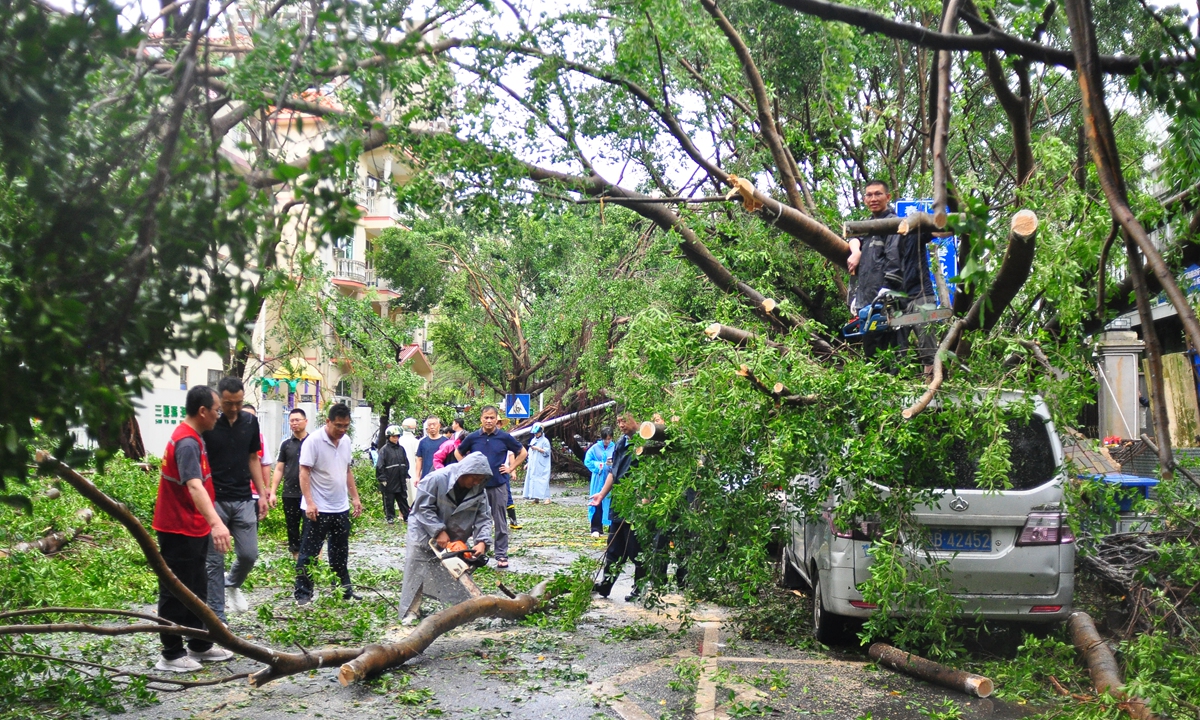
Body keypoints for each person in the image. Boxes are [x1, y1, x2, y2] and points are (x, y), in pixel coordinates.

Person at [151, 385, 234, 672]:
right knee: (175, 591)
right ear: (202, 411)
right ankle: (171, 654)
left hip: (192, 527)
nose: (218, 416)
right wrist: (217, 522)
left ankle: (199, 645)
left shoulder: (194, 438)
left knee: (196, 586)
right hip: (178, 529)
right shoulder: (186, 442)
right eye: (216, 411)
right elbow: (194, 485)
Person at [398, 452, 494, 625]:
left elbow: (484, 516)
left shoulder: (479, 490)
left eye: (481, 479)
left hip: (454, 532)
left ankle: (461, 608)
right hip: (422, 528)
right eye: (474, 478)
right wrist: (437, 530)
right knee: (417, 567)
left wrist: (482, 541)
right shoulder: (436, 479)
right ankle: (411, 610)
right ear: (465, 472)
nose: (476, 482)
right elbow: (422, 508)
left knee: (454, 568)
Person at [203, 377, 267, 620]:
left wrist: (261, 494)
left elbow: (253, 458)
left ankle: (232, 583)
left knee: (249, 554)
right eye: (229, 403)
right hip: (215, 499)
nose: (234, 408)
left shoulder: (250, 422)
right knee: (213, 562)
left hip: (243, 498)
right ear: (220, 399)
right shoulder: (209, 423)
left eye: (238, 402)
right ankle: (217, 618)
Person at [294, 403, 364, 606]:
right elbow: (304, 472)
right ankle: (303, 594)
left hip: (340, 507)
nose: (342, 430)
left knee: (340, 552)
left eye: (346, 426)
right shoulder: (313, 441)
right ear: (328, 422)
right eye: (338, 426)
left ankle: (343, 590)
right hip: (317, 508)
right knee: (309, 553)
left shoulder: (346, 441)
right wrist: (309, 502)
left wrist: (355, 497)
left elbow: (347, 470)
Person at [455, 406, 526, 569]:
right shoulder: (473, 437)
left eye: (492, 418)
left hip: (498, 484)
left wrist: (511, 468)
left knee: (500, 519)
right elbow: (458, 452)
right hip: (476, 486)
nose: (489, 420)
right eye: (486, 417)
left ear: (496, 419)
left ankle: (501, 554)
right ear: (481, 419)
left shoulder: (504, 437)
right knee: (473, 519)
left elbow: (522, 452)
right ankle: (475, 553)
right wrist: (466, 469)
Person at [589, 413, 644, 601]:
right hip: (619, 503)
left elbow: (651, 476)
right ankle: (605, 586)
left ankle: (640, 589)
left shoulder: (645, 442)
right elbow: (613, 473)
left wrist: (645, 500)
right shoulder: (621, 443)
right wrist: (601, 495)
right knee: (613, 548)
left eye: (624, 421)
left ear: (636, 419)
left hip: (636, 505)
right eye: (618, 421)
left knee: (636, 549)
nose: (621, 425)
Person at [846, 179, 902, 359]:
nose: (873, 198)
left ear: (888, 197)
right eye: (869, 195)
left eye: (878, 194)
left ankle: (892, 384)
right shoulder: (868, 225)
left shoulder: (893, 224)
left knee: (890, 350)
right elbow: (853, 236)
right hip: (867, 299)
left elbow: (894, 259)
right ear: (864, 199)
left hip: (886, 299)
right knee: (871, 351)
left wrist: (888, 289)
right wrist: (856, 252)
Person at [269, 408, 309, 560]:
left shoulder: (313, 442)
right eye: (291, 420)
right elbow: (279, 468)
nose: (294, 423)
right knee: (292, 527)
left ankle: (310, 557)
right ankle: (296, 557)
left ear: (305, 421)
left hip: (309, 494)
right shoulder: (286, 445)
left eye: (297, 420)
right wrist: (273, 492)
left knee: (310, 526)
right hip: (289, 493)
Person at [584, 428, 616, 537]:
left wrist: (612, 464)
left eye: (609, 439)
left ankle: (612, 527)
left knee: (611, 502)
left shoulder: (615, 447)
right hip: (598, 479)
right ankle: (596, 528)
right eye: (605, 439)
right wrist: (599, 466)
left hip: (611, 478)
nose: (607, 441)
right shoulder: (594, 448)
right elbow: (588, 461)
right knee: (597, 501)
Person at [376, 424, 410, 524]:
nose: (395, 438)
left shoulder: (401, 449)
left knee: (403, 499)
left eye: (397, 436)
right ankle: (390, 517)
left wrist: (406, 475)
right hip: (389, 479)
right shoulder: (384, 450)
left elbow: (405, 462)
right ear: (389, 437)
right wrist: (382, 478)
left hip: (400, 479)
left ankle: (406, 516)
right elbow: (380, 465)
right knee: (389, 500)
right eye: (393, 436)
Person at [522, 423, 552, 503]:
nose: (536, 434)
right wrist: (528, 463)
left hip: (542, 464)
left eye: (537, 433)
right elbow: (530, 453)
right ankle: (536, 498)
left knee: (543, 480)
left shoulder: (545, 441)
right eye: (535, 433)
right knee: (533, 480)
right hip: (533, 464)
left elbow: (547, 452)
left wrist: (538, 449)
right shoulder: (533, 440)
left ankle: (547, 498)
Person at [412, 416, 443, 482]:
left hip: (441, 477)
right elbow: (419, 459)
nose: (432, 427)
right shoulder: (422, 442)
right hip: (426, 477)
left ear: (439, 426)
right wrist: (417, 476)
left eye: (434, 424)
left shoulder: (446, 442)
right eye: (429, 425)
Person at [399, 418, 420, 508]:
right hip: (413, 469)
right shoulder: (415, 441)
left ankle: (401, 512)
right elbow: (418, 457)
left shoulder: (399, 440)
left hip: (400, 470)